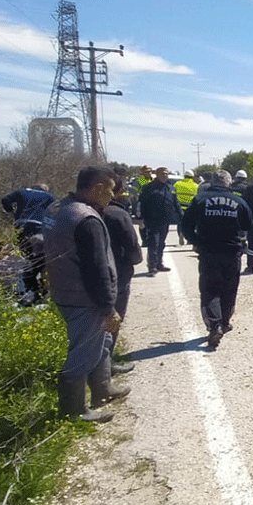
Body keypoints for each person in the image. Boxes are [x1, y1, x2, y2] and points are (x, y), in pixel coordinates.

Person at [44, 166, 129, 422]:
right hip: (84, 298)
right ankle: (74, 410)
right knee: (83, 351)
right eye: (111, 190)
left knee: (101, 341)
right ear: (100, 186)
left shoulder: (58, 209)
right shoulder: (86, 219)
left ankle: (103, 388)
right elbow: (97, 269)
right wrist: (108, 308)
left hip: (63, 289)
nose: (112, 197)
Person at [181, 170, 252, 349]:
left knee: (210, 290)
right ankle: (225, 322)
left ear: (212, 183)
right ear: (229, 183)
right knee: (229, 288)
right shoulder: (238, 201)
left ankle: (215, 326)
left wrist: (196, 241)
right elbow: (248, 224)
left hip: (209, 252)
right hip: (232, 252)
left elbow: (185, 225)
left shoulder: (200, 200)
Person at [102, 176, 143, 374]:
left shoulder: (85, 210)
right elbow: (132, 245)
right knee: (114, 317)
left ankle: (96, 364)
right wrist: (136, 260)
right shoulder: (118, 214)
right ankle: (105, 364)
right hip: (118, 273)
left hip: (90, 274)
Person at [0, 183, 55, 301]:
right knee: (39, 261)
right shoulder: (49, 197)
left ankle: (25, 289)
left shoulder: (21, 192)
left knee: (25, 257)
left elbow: (5, 199)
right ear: (45, 190)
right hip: (40, 230)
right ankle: (37, 291)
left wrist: (11, 212)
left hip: (22, 228)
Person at [138, 166, 181, 273]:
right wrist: (139, 218)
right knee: (154, 243)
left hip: (165, 220)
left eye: (166, 173)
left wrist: (181, 216)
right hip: (152, 220)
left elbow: (176, 204)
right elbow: (141, 203)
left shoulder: (171, 188)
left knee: (161, 243)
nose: (165, 175)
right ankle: (152, 266)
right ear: (157, 175)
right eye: (162, 174)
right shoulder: (149, 188)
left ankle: (159, 264)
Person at [174, 170, 199, 245]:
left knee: (180, 223)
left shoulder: (177, 184)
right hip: (190, 207)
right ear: (192, 177)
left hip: (180, 207)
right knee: (191, 223)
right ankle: (189, 239)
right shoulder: (196, 186)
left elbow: (173, 195)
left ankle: (180, 234)